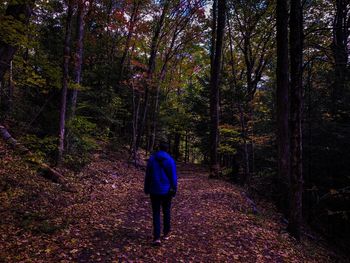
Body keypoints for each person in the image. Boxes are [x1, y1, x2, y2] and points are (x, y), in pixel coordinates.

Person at [144, 141, 177, 246]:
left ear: (159, 148)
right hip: (167, 190)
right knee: (166, 211)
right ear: (167, 149)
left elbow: (148, 175)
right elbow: (173, 177)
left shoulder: (152, 159)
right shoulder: (170, 160)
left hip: (154, 189)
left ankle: (157, 237)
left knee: (156, 212)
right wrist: (174, 189)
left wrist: (146, 188)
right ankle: (166, 233)